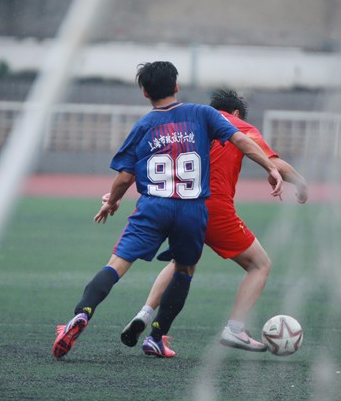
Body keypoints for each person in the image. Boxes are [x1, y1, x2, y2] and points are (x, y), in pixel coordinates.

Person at [52, 63, 284, 359]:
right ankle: (156, 336)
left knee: (118, 264)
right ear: (176, 86)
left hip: (154, 207)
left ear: (145, 92)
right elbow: (240, 139)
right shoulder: (203, 114)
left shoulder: (144, 126)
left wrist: (112, 201)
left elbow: (124, 176)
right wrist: (270, 168)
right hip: (192, 209)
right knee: (184, 270)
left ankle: (82, 313)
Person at [119, 88, 309, 354]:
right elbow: (275, 163)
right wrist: (301, 183)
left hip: (184, 204)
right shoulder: (239, 126)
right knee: (260, 265)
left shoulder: (196, 123)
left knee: (181, 263)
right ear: (235, 113)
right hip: (216, 208)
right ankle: (235, 329)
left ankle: (146, 317)